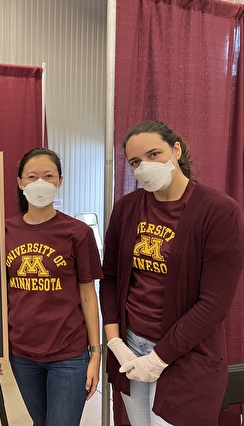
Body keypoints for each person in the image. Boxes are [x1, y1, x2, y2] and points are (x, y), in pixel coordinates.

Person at [100, 120, 244, 426]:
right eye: (136, 162)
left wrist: (159, 358)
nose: (145, 167)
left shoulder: (219, 212)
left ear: (175, 150)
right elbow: (111, 279)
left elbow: (213, 304)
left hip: (185, 353)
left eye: (154, 154)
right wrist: (114, 342)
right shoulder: (126, 209)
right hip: (130, 347)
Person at [5, 147, 103, 426]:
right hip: (21, 353)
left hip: (69, 354)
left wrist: (95, 354)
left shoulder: (78, 233)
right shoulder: (5, 231)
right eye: (32, 176)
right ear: (20, 182)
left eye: (48, 176)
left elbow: (88, 295)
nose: (40, 183)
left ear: (60, 181)